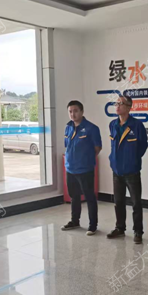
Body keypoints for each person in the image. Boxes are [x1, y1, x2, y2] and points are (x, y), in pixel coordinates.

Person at [107, 95, 148, 243]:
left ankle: (138, 231)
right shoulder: (113, 124)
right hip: (116, 170)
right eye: (116, 103)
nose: (117, 106)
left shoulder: (137, 125)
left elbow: (143, 146)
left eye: (121, 103)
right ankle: (120, 228)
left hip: (132, 171)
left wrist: (132, 159)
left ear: (129, 107)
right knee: (118, 201)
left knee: (136, 203)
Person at [61, 100, 102, 235]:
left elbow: (97, 148)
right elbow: (67, 146)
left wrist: (85, 159)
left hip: (85, 169)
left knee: (89, 197)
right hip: (70, 168)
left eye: (75, 111)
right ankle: (75, 221)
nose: (73, 114)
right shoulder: (68, 127)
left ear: (82, 112)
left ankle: (92, 225)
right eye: (70, 111)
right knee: (74, 196)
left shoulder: (92, 128)